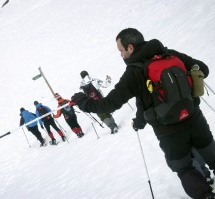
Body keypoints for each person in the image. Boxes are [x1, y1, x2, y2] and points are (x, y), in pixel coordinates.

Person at [71, 28, 215, 199]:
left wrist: (82, 101)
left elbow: (108, 105)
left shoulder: (134, 72)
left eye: (121, 50)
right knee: (211, 154)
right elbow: (203, 69)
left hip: (169, 131)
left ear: (130, 48)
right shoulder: (170, 54)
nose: (121, 55)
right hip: (194, 119)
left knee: (184, 167)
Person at [132, 98, 214, 184]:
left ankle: (202, 181)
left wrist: (136, 124)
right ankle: (206, 175)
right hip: (190, 117)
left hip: (169, 130)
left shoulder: (145, 85)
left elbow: (142, 108)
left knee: (185, 160)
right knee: (195, 148)